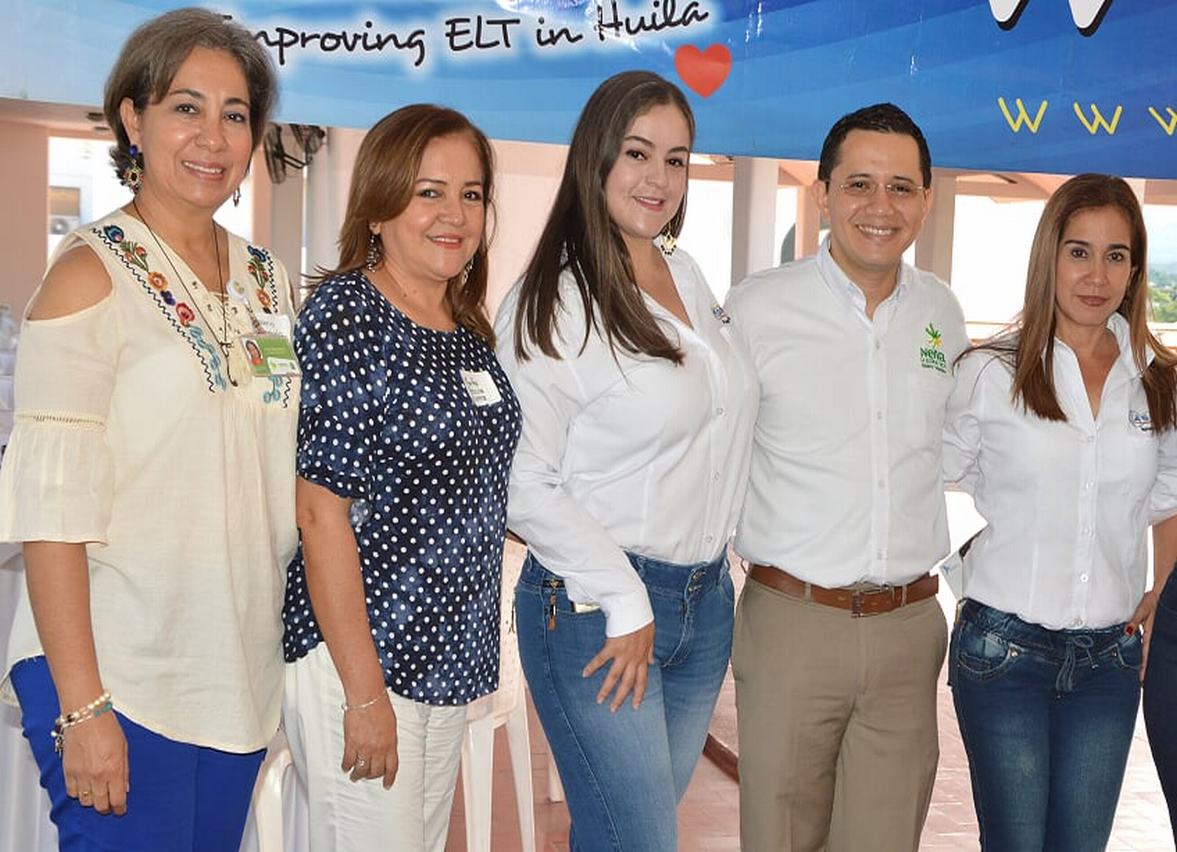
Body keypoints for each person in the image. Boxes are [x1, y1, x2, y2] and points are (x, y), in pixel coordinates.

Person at [0, 8, 297, 850]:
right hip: (116, 677)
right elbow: (50, 515)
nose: (212, 137)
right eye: (185, 107)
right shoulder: (88, 276)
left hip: (233, 676)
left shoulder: (268, 280)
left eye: (234, 114)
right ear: (133, 119)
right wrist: (83, 707)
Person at [495, 70, 758, 851]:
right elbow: (521, 480)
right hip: (596, 611)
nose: (658, 179)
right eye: (637, 153)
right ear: (596, 156)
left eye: (676, 160)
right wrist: (624, 598)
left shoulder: (686, 273)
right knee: (636, 840)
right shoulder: (553, 301)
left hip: (703, 606)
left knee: (620, 836)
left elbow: (719, 429)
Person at [725, 102, 968, 851]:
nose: (880, 206)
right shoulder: (757, 308)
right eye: (859, 184)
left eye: (901, 187)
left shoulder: (941, 312)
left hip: (907, 632)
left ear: (925, 200)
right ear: (824, 194)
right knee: (780, 836)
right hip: (792, 623)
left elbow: (960, 448)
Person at [281, 104, 521, 852]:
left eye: (471, 194)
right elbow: (319, 512)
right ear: (380, 207)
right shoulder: (350, 316)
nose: (455, 214)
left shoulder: (466, 330)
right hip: (365, 654)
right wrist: (363, 694)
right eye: (429, 192)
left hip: (443, 657)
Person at [944, 173, 1177, 851]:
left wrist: (1162, 589)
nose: (1095, 275)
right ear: (1049, 255)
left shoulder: (1158, 380)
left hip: (1109, 663)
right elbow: (928, 474)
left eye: (1115, 255)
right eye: (1078, 252)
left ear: (1134, 270)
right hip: (1002, 654)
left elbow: (1168, 496)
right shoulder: (990, 372)